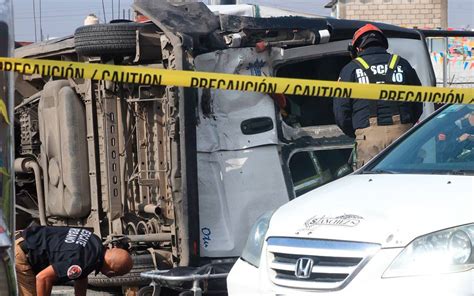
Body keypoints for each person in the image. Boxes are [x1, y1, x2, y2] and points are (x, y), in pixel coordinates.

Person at [333, 24, 423, 169]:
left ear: (357, 48)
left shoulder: (350, 69)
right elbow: (418, 101)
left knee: (371, 186)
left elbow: (341, 113)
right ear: (383, 44)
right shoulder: (401, 64)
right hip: (403, 137)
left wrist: (360, 132)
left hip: (369, 139)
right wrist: (405, 126)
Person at [15, 226, 133, 296]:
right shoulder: (86, 260)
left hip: (22, 237)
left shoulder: (94, 241)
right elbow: (43, 278)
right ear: (110, 273)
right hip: (22, 254)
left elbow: (81, 276)